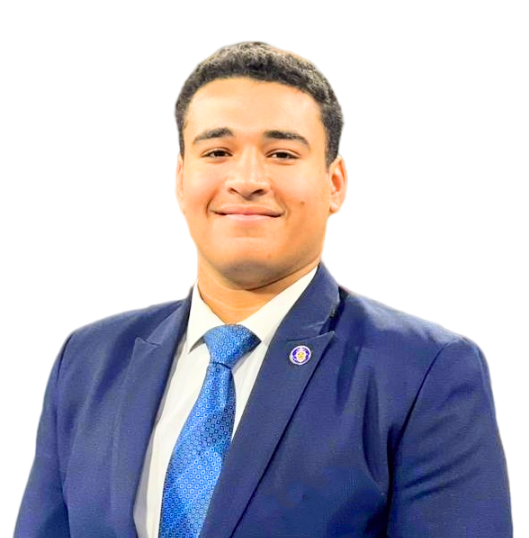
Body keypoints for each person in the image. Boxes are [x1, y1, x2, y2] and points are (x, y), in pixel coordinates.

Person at [15, 42, 512, 538]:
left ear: (334, 183)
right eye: (217, 152)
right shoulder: (90, 363)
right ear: (182, 178)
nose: (247, 179)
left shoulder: (423, 372)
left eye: (282, 154)